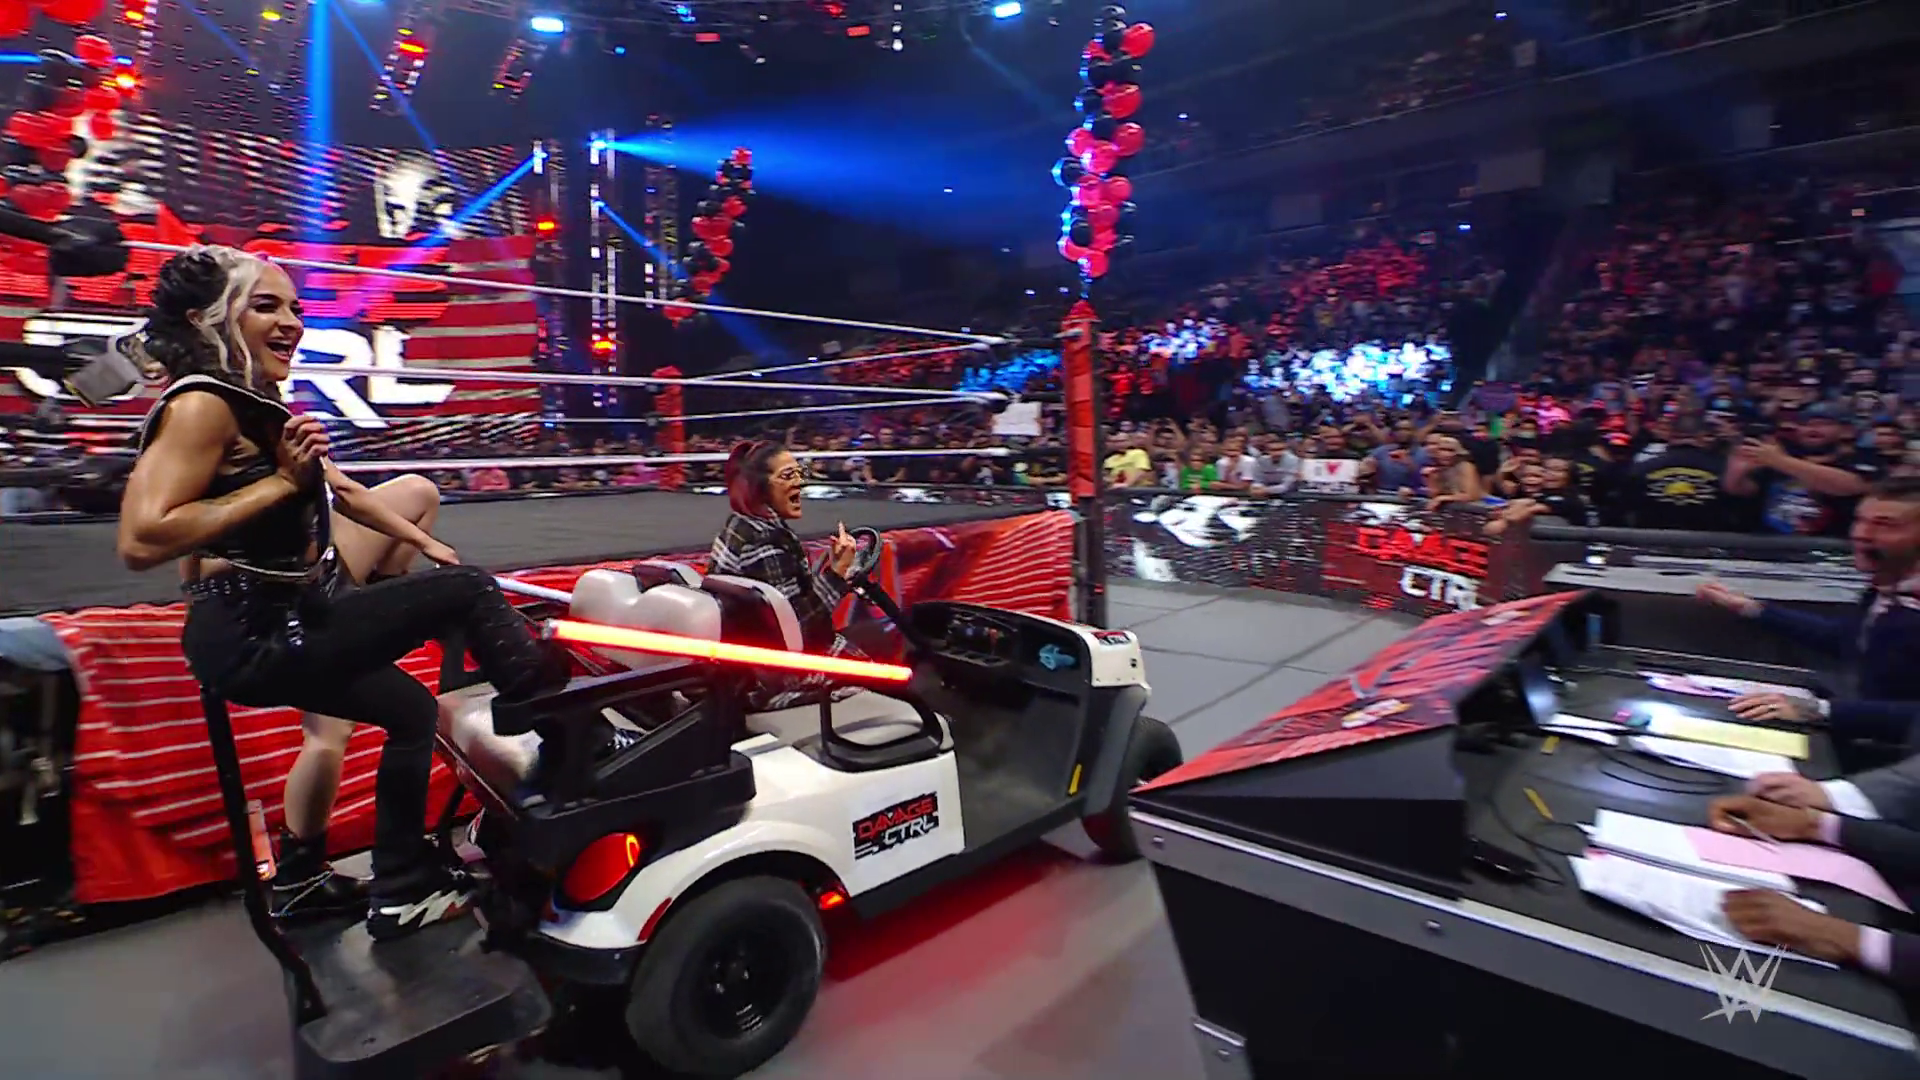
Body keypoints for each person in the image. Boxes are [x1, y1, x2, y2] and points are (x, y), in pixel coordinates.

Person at [116, 246, 571, 941]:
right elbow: (141, 538)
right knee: (469, 592)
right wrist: (281, 484)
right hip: (257, 627)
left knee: (411, 710)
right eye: (266, 306)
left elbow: (345, 492)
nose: (292, 322)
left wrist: (426, 546)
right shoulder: (204, 404)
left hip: (278, 615)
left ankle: (388, 887)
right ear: (209, 319)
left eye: (295, 307)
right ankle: (570, 739)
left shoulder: (254, 403)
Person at [1695, 476, 1920, 754]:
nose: (1862, 534)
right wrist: (1751, 608)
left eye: (1885, 525)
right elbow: (1847, 639)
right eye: (1860, 520)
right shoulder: (1886, 587)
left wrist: (1822, 710)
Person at [707, 440, 877, 711]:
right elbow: (800, 631)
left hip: (757, 664)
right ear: (759, 487)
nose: (800, 482)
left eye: (800, 473)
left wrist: (835, 571)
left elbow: (788, 607)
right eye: (788, 476)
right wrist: (836, 574)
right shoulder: (764, 543)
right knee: (884, 678)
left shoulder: (740, 525)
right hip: (781, 675)